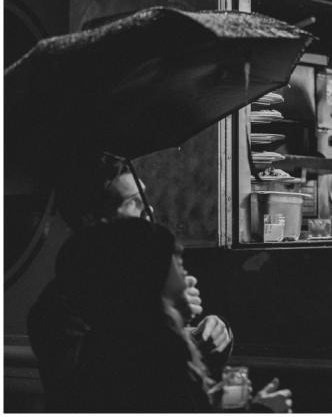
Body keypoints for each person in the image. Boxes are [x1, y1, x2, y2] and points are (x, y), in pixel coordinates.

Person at [27, 151, 234, 410]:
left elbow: (177, 378)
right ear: (93, 220)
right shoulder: (59, 307)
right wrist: (167, 317)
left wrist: (213, 333)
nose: (149, 209)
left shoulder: (150, 276)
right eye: (134, 202)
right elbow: (100, 394)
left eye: (145, 196)